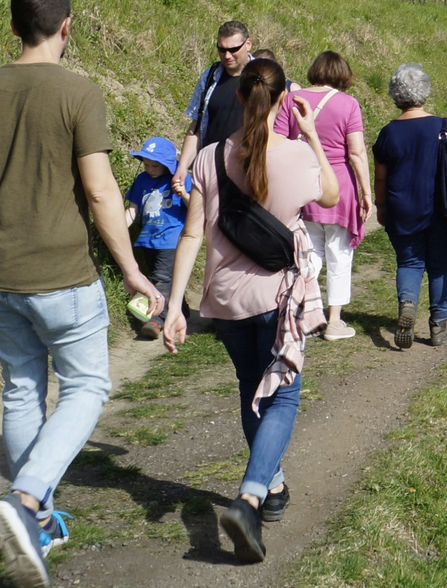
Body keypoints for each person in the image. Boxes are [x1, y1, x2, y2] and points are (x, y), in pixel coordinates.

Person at [0, 0, 162, 588]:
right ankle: (26, 502)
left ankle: (39, 521)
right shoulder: (78, 92)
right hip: (62, 276)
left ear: (14, 27)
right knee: (86, 386)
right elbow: (101, 192)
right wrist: (132, 271)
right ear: (66, 26)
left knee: (22, 389)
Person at [163, 57, 337, 565]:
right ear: (284, 99)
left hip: (225, 301)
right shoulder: (297, 155)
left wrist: (175, 306)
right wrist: (310, 134)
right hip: (278, 299)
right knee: (283, 396)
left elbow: (191, 234)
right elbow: (330, 194)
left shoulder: (209, 157)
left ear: (239, 97)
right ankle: (251, 497)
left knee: (249, 387)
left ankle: (273, 484)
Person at [372, 64, 447, 349]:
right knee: (440, 265)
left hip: (401, 208)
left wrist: (381, 207)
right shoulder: (443, 127)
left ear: (395, 94)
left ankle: (407, 305)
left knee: (409, 263)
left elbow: (380, 177)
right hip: (439, 208)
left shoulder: (388, 133)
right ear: (424, 91)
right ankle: (438, 327)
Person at [273, 51, 371, 341]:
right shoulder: (348, 104)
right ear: (343, 74)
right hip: (339, 185)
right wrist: (367, 192)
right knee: (339, 254)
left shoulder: (292, 99)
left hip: (303, 183)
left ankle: (304, 314)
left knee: (309, 252)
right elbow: (356, 152)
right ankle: (334, 322)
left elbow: (279, 141)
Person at [173, 20, 256, 197]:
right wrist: (183, 166)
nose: (227, 55)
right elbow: (196, 126)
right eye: (221, 49)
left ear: (248, 44)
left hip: (247, 172)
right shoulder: (210, 76)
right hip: (209, 169)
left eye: (234, 49)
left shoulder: (262, 76)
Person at [124, 135, 187, 340]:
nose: (149, 169)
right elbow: (133, 209)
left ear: (167, 165)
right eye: (146, 164)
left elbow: (195, 207)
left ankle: (157, 320)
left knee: (161, 279)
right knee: (159, 277)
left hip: (171, 239)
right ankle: (182, 309)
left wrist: (184, 194)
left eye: (155, 166)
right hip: (148, 239)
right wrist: (119, 228)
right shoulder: (142, 180)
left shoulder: (179, 178)